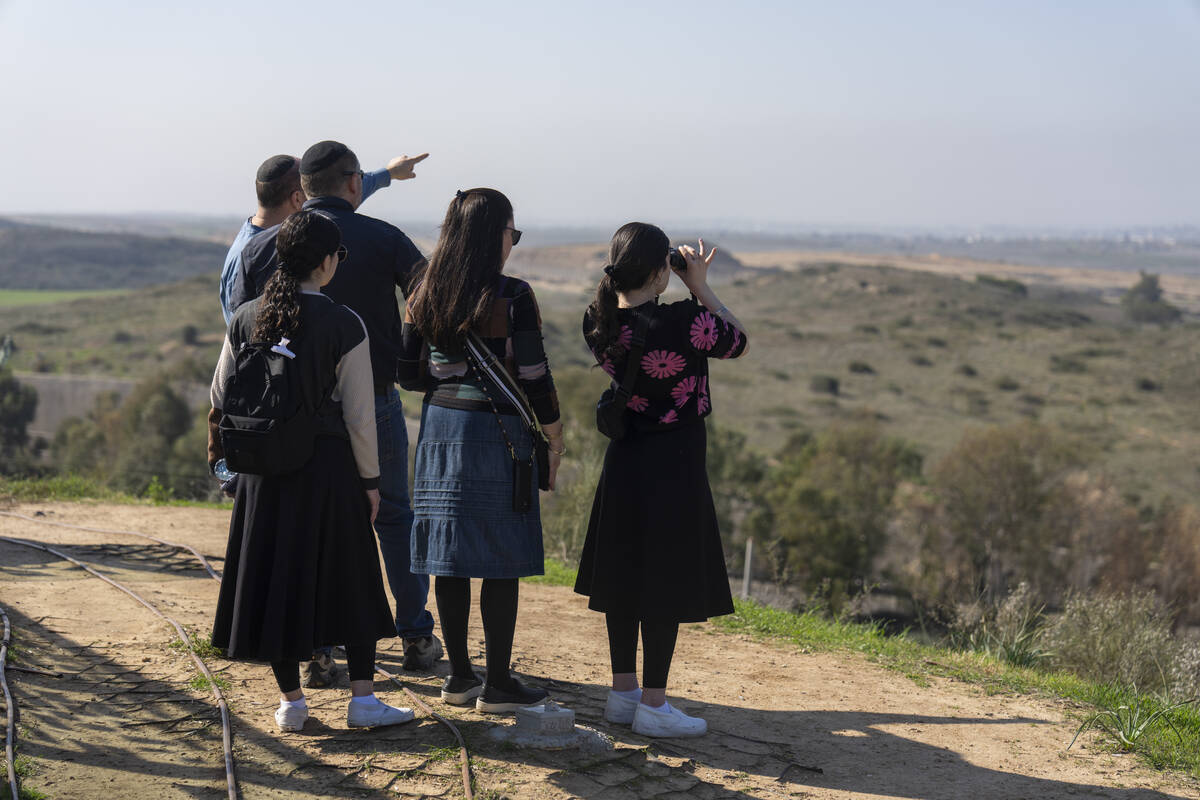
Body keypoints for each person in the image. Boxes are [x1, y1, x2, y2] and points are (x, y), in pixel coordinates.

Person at [231, 141, 443, 679]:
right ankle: (416, 635)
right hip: (374, 398)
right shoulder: (385, 238)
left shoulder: (263, 248)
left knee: (308, 522)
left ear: (303, 189)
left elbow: (244, 333)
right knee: (394, 517)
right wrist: (411, 357)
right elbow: (428, 299)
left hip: (291, 415)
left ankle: (319, 650)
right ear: (354, 184)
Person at [208, 210, 413, 732]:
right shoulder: (345, 323)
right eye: (337, 256)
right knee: (350, 577)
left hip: (263, 474)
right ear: (326, 263)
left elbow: (219, 395)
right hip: (327, 470)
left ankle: (292, 705)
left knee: (278, 579)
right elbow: (360, 415)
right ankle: (364, 701)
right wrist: (371, 483)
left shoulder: (248, 316)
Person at [576, 222, 749, 738]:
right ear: (660, 272)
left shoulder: (597, 320)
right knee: (664, 579)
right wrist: (699, 285)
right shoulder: (687, 320)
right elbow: (737, 341)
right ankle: (655, 704)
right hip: (675, 460)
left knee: (625, 572)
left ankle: (622, 693)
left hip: (625, 457)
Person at [398, 188, 564, 713]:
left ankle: (460, 679)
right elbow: (534, 376)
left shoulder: (422, 290)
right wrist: (554, 436)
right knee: (500, 558)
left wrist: (450, 377)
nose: (513, 242)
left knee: (448, 554)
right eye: (512, 231)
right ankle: (498, 684)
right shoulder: (513, 294)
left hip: (441, 427)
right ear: (495, 235)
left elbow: (406, 373)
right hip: (499, 432)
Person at [219, 151, 428, 324]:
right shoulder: (247, 252)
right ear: (298, 198)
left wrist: (388, 173)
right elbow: (239, 331)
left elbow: (334, 200)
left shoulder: (255, 248)